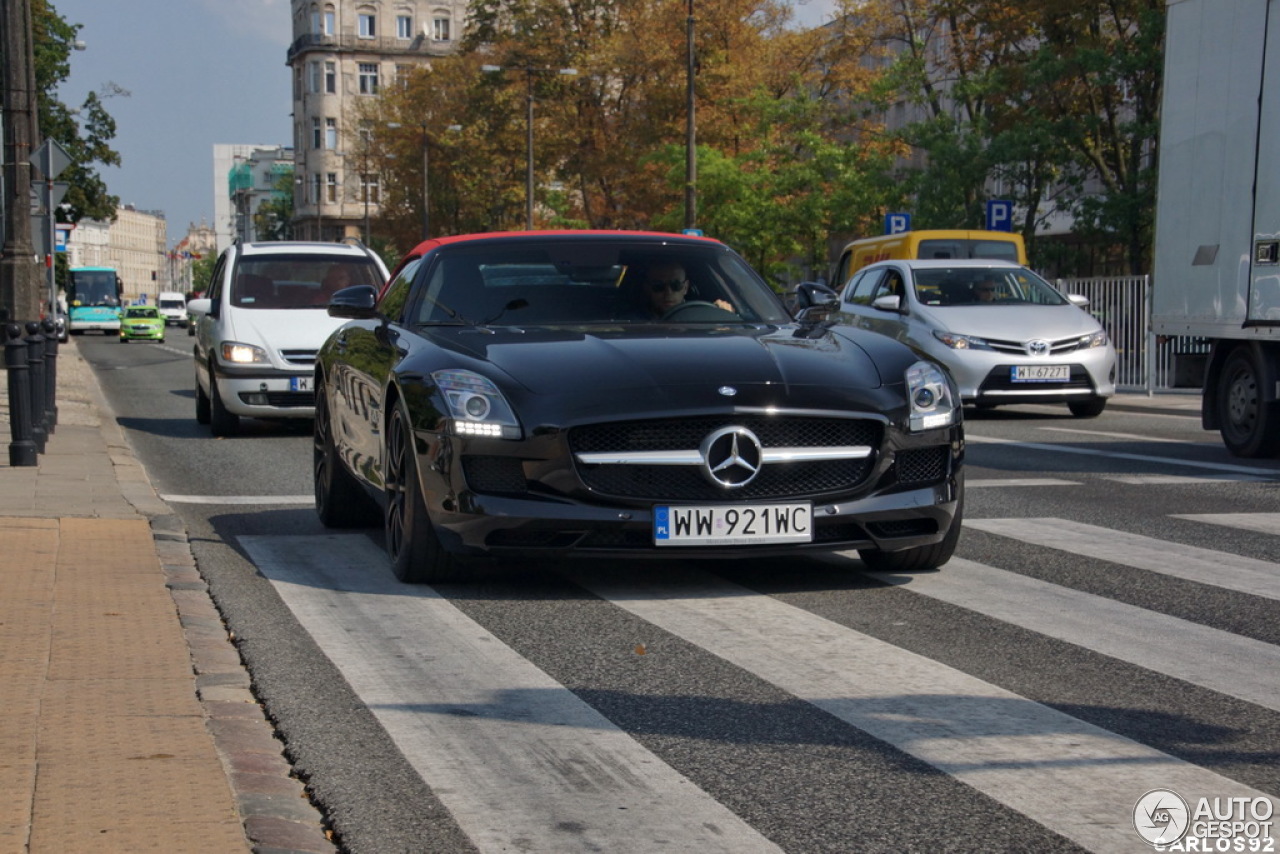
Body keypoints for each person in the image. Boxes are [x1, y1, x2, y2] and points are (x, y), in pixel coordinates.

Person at [635, 260, 734, 319]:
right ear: (647, 288)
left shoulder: (704, 317)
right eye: (658, 286)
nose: (668, 292)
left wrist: (724, 316)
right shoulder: (631, 323)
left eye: (676, 285)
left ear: (685, 287)